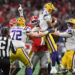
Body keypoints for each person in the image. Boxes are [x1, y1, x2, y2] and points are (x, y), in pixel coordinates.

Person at [38, 2, 58, 74]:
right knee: (54, 50)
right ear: (49, 9)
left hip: (43, 33)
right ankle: (53, 68)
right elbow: (50, 26)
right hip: (46, 33)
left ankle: (52, 68)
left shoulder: (43, 12)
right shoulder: (46, 12)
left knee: (46, 56)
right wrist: (55, 22)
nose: (52, 11)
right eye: (52, 10)